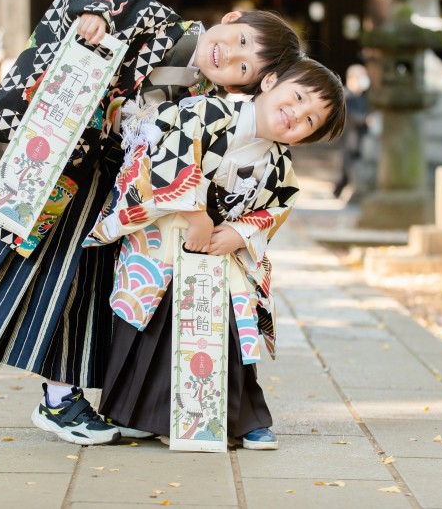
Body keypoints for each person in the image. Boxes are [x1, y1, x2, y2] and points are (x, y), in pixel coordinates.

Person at [0, 0, 305, 445]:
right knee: (53, 283)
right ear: (231, 18)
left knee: (90, 294)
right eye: (240, 40)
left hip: (124, 202)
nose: (229, 56)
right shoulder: (160, 21)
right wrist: (95, 16)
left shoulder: (213, 100)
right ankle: (59, 398)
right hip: (71, 167)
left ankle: (90, 399)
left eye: (244, 66)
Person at [84, 59, 346, 450]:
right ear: (270, 81)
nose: (296, 115)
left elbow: (278, 208)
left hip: (222, 250)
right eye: (298, 97)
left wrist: (240, 233)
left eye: (310, 121)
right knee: (153, 318)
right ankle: (133, 413)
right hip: (166, 233)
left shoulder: (279, 166)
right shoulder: (204, 111)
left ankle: (242, 419)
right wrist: (195, 215)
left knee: (227, 324)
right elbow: (163, 149)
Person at [333, 63, 371, 199]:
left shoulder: (361, 97)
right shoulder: (345, 95)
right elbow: (351, 115)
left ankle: (342, 191)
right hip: (348, 137)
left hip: (359, 137)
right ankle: (340, 191)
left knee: (351, 166)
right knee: (347, 166)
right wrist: (365, 119)